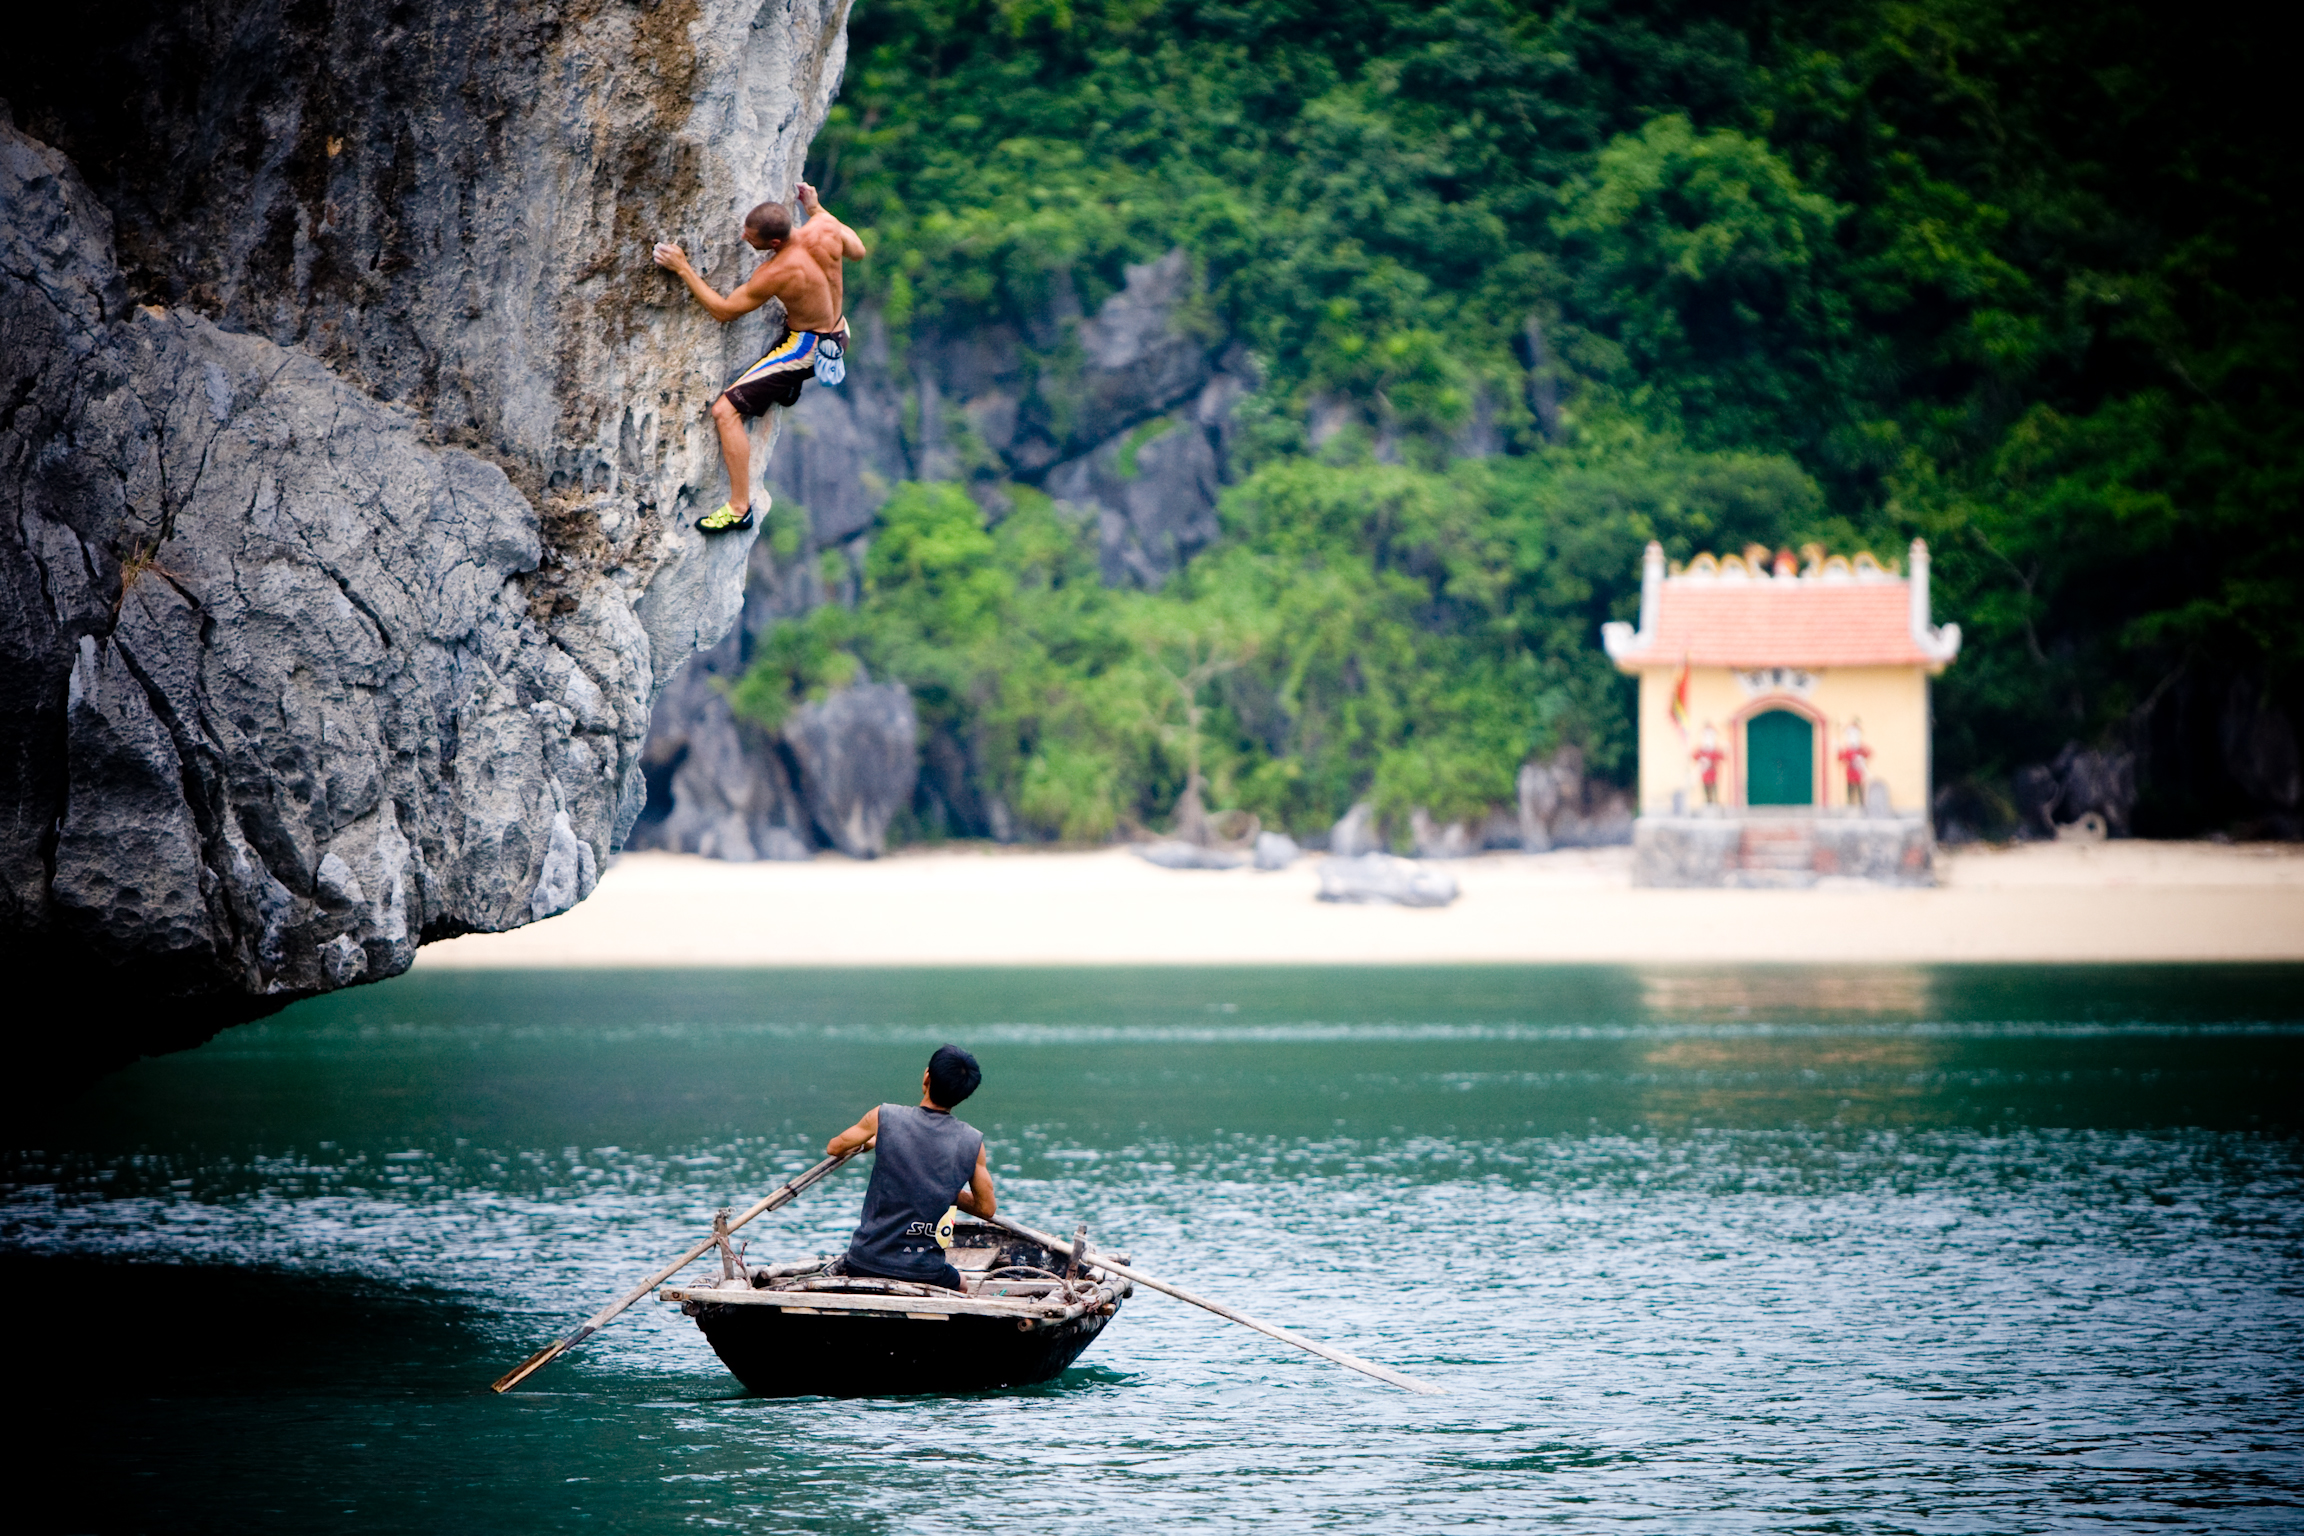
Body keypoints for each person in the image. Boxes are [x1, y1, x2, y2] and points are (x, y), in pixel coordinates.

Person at [651, 180, 866, 533]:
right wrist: (815, 208)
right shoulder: (825, 224)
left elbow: (723, 311)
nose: (743, 239)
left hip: (807, 348)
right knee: (789, 327)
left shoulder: (777, 272)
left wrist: (682, 268)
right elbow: (857, 251)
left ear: (775, 243)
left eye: (751, 238)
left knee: (725, 410)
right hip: (839, 331)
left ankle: (739, 509)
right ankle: (786, 384)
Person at [824, 1045, 994, 1292]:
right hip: (924, 1271)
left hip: (865, 1262)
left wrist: (871, 1141)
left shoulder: (884, 1117)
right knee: (963, 1285)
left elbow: (835, 1147)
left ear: (927, 1077)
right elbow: (986, 1208)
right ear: (964, 1094)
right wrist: (941, 1187)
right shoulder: (972, 1142)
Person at [1837, 719, 1871, 807]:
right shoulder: (1848, 750)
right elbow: (1841, 758)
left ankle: (1862, 805)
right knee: (1850, 791)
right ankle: (1850, 804)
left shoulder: (1861, 749)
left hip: (1859, 774)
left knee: (1860, 791)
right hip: (1850, 774)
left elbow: (1868, 753)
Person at [1693, 723, 1726, 805]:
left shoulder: (1715, 749)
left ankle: (1715, 800)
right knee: (1706, 787)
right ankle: (1708, 801)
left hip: (1713, 772)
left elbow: (1721, 756)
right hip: (1705, 772)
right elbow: (1695, 756)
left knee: (1714, 787)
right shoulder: (1701, 749)